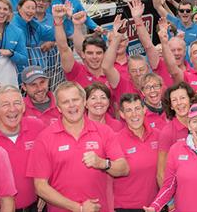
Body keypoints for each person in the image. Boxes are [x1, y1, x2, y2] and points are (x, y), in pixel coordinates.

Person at [27, 81, 129, 212]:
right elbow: (40, 186)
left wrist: (102, 163)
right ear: (58, 108)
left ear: (84, 102)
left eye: (75, 100)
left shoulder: (104, 131)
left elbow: (124, 168)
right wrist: (79, 208)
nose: (71, 105)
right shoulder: (45, 138)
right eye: (65, 102)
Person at [0, 85, 47, 211]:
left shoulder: (38, 127)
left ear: (24, 107)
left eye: (17, 103)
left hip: (36, 207)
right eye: (5, 105)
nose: (12, 109)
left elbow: (50, 160)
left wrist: (47, 189)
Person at [113, 93, 161, 212]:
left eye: (137, 108)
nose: (134, 114)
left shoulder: (158, 135)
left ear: (144, 110)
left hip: (155, 206)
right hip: (126, 208)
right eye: (129, 110)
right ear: (122, 114)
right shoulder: (115, 140)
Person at [53, 4, 108, 88]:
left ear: (105, 54)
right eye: (89, 53)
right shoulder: (76, 72)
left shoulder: (112, 73)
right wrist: (58, 22)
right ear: (83, 54)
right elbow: (63, 49)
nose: (94, 57)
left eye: (99, 53)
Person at [157, 82, 197, 187]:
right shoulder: (167, 133)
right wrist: (170, 202)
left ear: (190, 100)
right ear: (171, 106)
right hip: (180, 193)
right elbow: (161, 173)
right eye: (174, 100)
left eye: (182, 98)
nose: (179, 103)